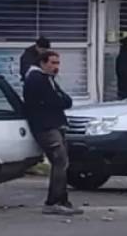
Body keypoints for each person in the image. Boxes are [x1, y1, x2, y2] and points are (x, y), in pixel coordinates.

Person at [23, 50, 82, 216]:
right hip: (46, 127)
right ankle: (53, 201)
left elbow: (66, 100)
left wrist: (61, 100)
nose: (56, 67)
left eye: (58, 63)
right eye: (53, 63)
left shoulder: (48, 79)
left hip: (55, 124)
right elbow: (56, 101)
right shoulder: (37, 79)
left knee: (63, 162)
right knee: (59, 161)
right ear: (43, 63)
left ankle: (62, 200)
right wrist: (60, 101)